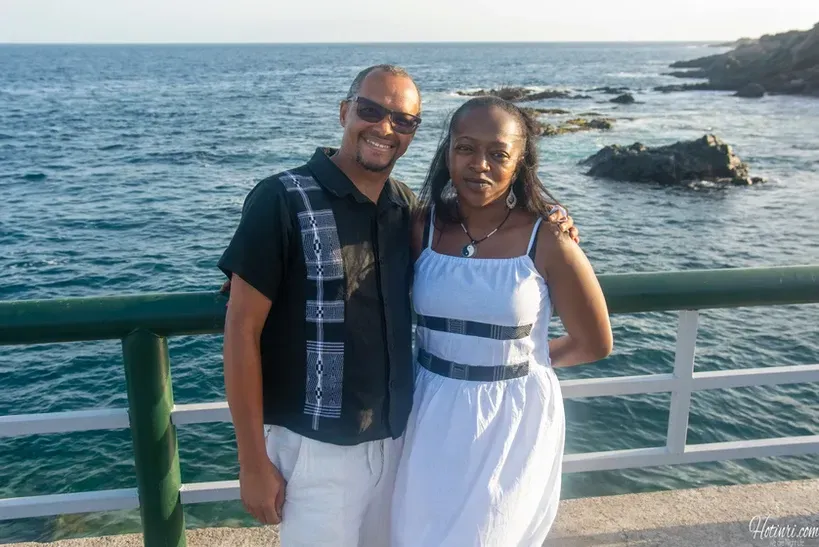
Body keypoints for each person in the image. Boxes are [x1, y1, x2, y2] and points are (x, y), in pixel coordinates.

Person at [218, 65, 579, 547]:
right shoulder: (282, 199)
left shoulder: (406, 210)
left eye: (403, 120)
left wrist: (550, 215)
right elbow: (241, 331)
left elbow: (472, 250)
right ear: (346, 111)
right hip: (317, 446)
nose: (385, 128)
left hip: (401, 441)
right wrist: (252, 464)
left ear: (414, 134)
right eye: (370, 110)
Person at [390, 96, 613, 547]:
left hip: (512, 421)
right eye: (466, 148)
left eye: (498, 153)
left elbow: (594, 342)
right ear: (448, 152)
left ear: (520, 161)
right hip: (427, 409)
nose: (480, 165)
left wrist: (515, 362)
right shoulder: (421, 226)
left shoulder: (548, 238)